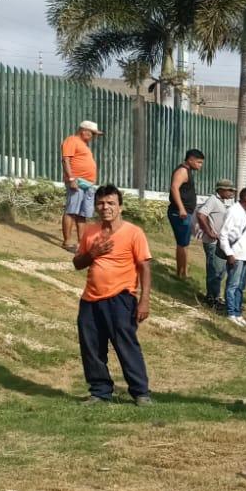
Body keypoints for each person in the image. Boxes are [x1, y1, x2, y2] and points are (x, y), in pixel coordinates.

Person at [72, 184, 153, 406]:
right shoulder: (90, 231)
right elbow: (77, 263)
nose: (105, 207)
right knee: (91, 347)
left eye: (110, 203)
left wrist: (144, 300)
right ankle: (99, 391)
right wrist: (92, 253)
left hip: (121, 298)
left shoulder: (133, 233)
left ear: (120, 207)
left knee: (126, 345)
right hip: (90, 299)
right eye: (101, 203)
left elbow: (144, 267)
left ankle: (140, 392)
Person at [218, 187, 246, 328]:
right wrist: (229, 253)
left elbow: (244, 236)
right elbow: (223, 234)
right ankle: (231, 313)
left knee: (241, 286)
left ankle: (237, 312)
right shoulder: (234, 211)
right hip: (235, 255)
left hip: (244, 254)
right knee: (232, 285)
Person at [60, 120, 101, 251]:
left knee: (83, 214)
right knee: (71, 211)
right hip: (77, 181)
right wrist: (71, 179)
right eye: (93, 134)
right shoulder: (72, 140)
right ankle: (67, 242)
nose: (94, 137)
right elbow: (65, 159)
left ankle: (81, 243)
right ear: (84, 131)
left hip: (88, 184)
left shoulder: (84, 145)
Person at [195, 179, 236, 308]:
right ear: (221, 190)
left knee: (219, 271)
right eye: (229, 190)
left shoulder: (220, 202)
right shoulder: (213, 200)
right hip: (213, 242)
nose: (231, 193)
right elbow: (201, 215)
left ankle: (215, 296)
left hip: (219, 243)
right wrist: (209, 232)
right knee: (215, 271)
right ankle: (212, 299)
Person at [166, 149, 206, 280]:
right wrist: (181, 208)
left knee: (184, 243)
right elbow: (174, 187)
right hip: (180, 213)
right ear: (190, 160)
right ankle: (181, 273)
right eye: (199, 162)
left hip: (186, 212)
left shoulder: (187, 171)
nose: (200, 165)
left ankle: (184, 272)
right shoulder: (182, 171)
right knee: (182, 244)